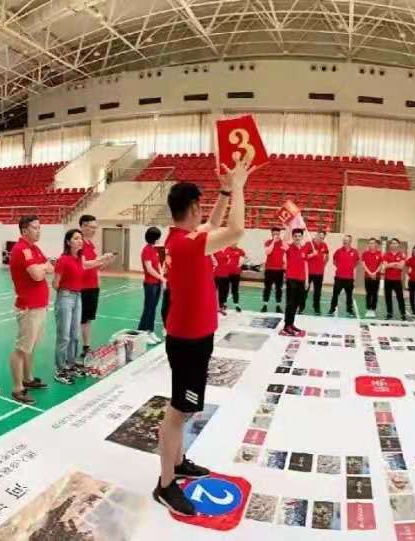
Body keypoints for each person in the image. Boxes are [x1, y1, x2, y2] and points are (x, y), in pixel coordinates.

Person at [154, 158, 255, 515]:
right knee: (178, 410)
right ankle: (166, 484)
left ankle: (178, 462)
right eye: (201, 208)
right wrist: (239, 186)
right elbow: (236, 230)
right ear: (193, 208)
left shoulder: (182, 238)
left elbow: (212, 224)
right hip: (188, 341)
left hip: (196, 335)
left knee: (186, 407)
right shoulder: (186, 244)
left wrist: (225, 191)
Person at [7, 216, 52, 406]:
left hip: (39, 305)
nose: (38, 231)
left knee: (30, 347)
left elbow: (49, 267)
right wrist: (43, 267)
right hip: (28, 307)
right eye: (35, 228)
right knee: (21, 348)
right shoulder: (22, 249)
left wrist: (43, 267)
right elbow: (37, 275)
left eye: (39, 227)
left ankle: (28, 378)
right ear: (24, 230)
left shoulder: (35, 249)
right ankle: (17, 388)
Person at [78, 215, 116, 361]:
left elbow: (96, 266)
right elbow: (84, 264)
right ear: (83, 226)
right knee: (80, 319)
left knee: (88, 319)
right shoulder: (79, 243)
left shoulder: (91, 245)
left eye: (95, 227)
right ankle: (73, 349)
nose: (94, 230)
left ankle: (86, 346)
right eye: (91, 227)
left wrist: (107, 261)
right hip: (81, 287)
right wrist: (101, 258)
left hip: (93, 286)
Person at [53, 230, 86, 385]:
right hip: (66, 297)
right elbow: (55, 283)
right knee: (64, 336)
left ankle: (71, 365)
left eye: (81, 238)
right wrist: (65, 293)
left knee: (74, 335)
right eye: (76, 238)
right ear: (68, 242)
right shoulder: (63, 260)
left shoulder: (79, 259)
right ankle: (60, 369)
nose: (80, 241)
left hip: (78, 296)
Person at [282, 228, 312, 336]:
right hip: (291, 279)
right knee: (290, 303)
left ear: (302, 237)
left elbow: (306, 265)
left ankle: (291, 324)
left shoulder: (304, 249)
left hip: (301, 280)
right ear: (293, 237)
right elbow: (284, 241)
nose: (297, 238)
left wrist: (307, 280)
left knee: (296, 304)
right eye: (295, 236)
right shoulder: (289, 247)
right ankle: (286, 326)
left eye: (299, 236)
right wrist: (288, 228)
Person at [139, 227, 165, 332]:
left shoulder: (154, 249)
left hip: (157, 283)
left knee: (153, 307)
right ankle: (142, 331)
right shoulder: (146, 250)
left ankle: (150, 331)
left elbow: (158, 264)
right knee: (148, 308)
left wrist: (161, 275)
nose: (159, 239)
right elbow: (149, 269)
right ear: (155, 238)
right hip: (150, 284)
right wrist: (161, 278)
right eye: (158, 237)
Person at [329, 235, 359, 316]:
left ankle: (349, 310)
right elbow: (334, 261)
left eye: (346, 240)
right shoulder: (338, 251)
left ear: (350, 241)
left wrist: (350, 267)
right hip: (339, 278)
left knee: (349, 296)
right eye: (344, 240)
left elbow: (356, 262)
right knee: (335, 295)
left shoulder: (355, 252)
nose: (345, 241)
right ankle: (332, 309)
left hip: (349, 278)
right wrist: (340, 267)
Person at [302, 231, 329, 315]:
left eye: (322, 238)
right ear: (316, 235)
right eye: (320, 237)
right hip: (308, 272)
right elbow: (303, 256)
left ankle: (316, 307)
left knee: (318, 292)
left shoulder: (324, 245)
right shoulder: (308, 244)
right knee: (304, 291)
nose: (321, 239)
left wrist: (323, 264)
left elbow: (327, 256)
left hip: (319, 273)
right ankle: (301, 307)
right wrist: (312, 254)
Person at [261, 227, 286, 313]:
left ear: (280, 234)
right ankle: (265, 305)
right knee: (267, 288)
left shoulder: (283, 243)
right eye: (274, 234)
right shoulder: (268, 242)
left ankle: (278, 306)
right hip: (269, 269)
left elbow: (287, 254)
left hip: (279, 270)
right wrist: (273, 242)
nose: (276, 235)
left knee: (279, 289)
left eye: (277, 234)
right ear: (271, 234)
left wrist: (285, 263)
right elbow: (268, 252)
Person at [382, 238, 407, 320]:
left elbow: (401, 266)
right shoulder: (386, 255)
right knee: (388, 297)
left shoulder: (402, 255)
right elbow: (385, 266)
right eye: (392, 243)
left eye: (395, 243)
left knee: (400, 298)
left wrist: (390, 264)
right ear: (390, 245)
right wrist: (396, 263)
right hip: (387, 280)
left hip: (397, 280)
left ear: (398, 244)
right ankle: (389, 313)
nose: (393, 245)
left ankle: (403, 314)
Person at [361, 238, 382, 318]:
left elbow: (380, 265)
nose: (371, 244)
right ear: (368, 244)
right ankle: (368, 309)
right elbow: (363, 264)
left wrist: (375, 273)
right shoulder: (365, 253)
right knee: (368, 293)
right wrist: (370, 273)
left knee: (375, 293)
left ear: (375, 244)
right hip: (367, 277)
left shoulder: (379, 253)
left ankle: (373, 309)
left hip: (376, 277)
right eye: (370, 243)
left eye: (373, 243)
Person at [213, 244, 237, 315]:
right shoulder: (215, 250)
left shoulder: (229, 250)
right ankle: (214, 307)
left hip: (226, 275)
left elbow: (232, 261)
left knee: (224, 292)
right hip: (216, 274)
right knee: (214, 292)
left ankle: (221, 306)